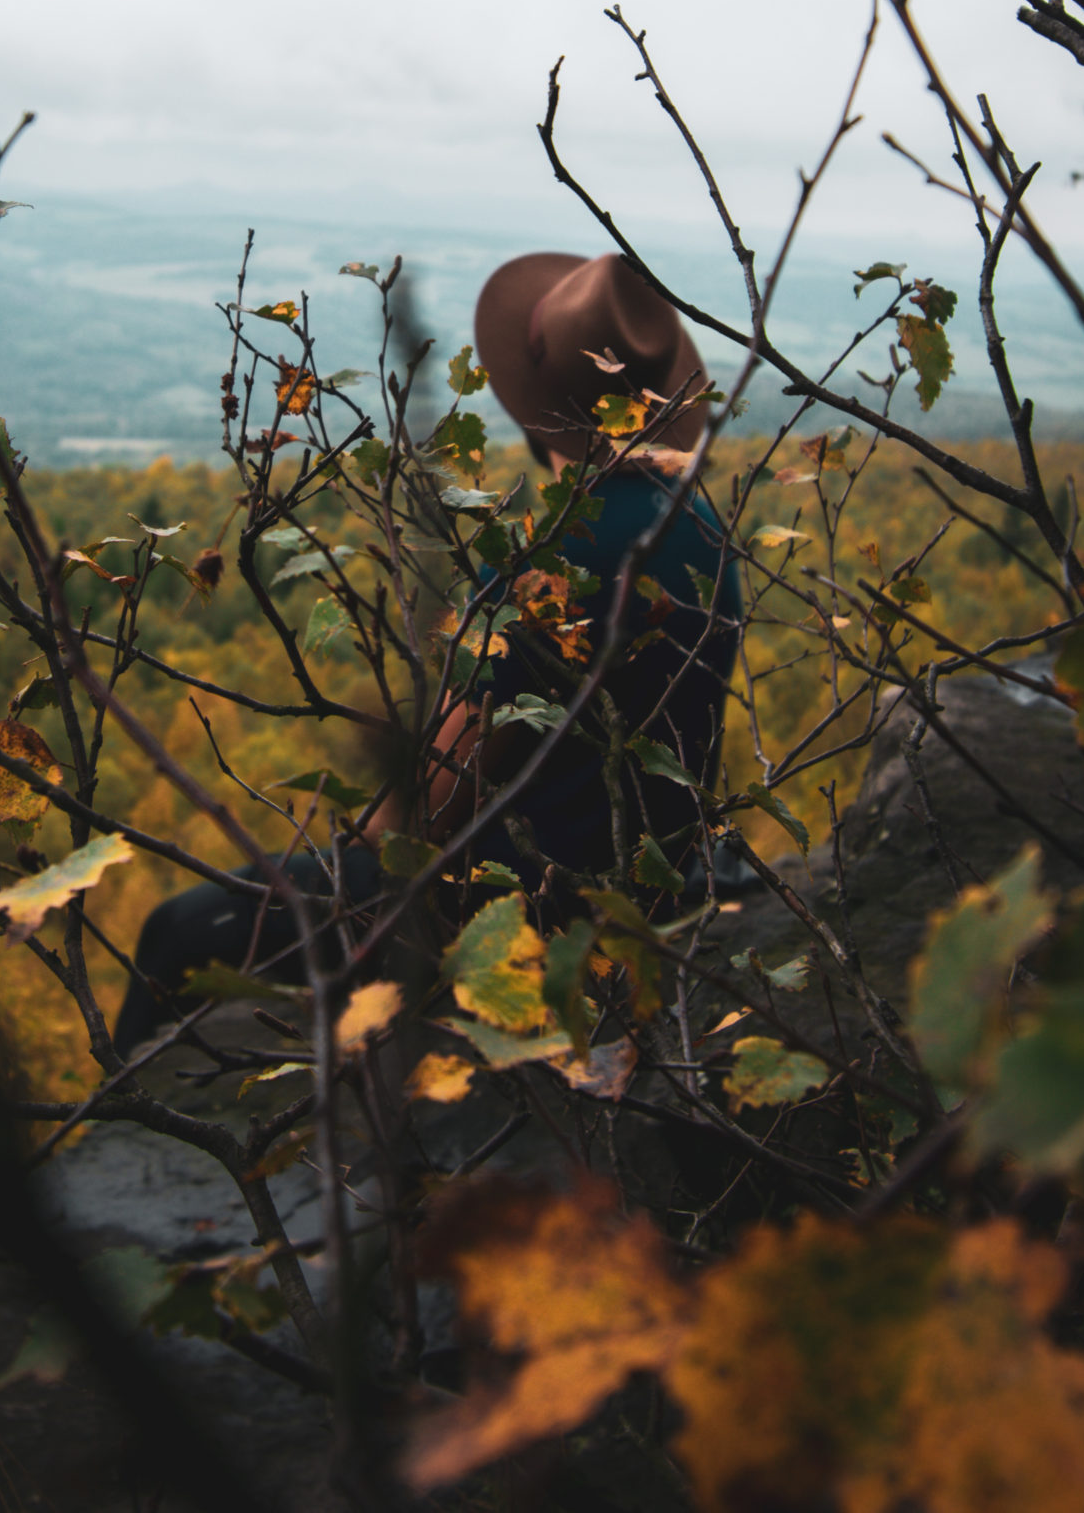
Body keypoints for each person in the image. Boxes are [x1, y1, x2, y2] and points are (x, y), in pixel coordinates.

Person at [111, 251, 741, 1053]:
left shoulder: (543, 555)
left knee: (178, 932)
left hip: (505, 921)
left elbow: (435, 797)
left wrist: (357, 826)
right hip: (647, 903)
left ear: (533, 396)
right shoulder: (703, 534)